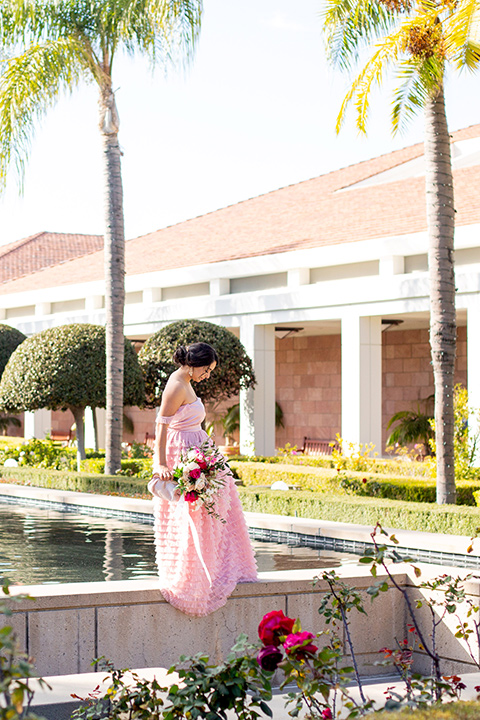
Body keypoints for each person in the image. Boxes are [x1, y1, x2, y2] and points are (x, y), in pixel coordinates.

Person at [148, 341, 258, 616]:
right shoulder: (176, 384)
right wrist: (160, 462)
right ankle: (192, 576)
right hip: (182, 452)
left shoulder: (186, 380)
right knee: (194, 514)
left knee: (221, 507)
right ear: (195, 363)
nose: (207, 375)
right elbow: (161, 424)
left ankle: (219, 566)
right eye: (206, 370)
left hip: (198, 449)